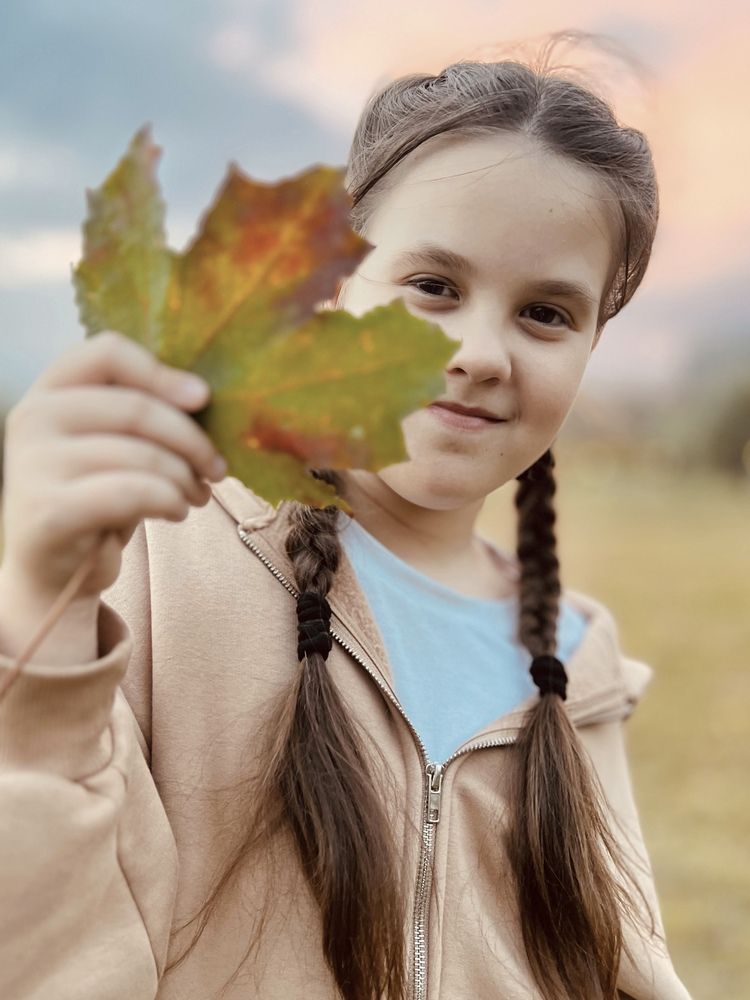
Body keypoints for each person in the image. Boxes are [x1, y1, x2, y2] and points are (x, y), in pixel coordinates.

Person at [0, 36, 692, 1000]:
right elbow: (48, 942)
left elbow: (626, 964)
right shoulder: (155, 559)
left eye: (546, 313)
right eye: (434, 287)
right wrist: (38, 605)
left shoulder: (579, 659)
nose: (480, 352)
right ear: (334, 287)